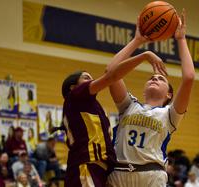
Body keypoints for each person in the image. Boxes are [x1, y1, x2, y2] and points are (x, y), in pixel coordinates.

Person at [53, 29, 167, 186]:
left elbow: (111, 73)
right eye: (86, 78)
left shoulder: (93, 107)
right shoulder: (75, 97)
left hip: (102, 170)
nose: (91, 80)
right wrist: (143, 53)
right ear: (73, 87)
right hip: (86, 167)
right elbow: (111, 74)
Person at [107, 10, 195, 187]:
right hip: (119, 173)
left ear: (169, 94)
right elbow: (111, 73)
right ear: (145, 89)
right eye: (151, 78)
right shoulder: (129, 105)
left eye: (161, 78)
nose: (155, 78)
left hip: (151, 175)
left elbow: (189, 77)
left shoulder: (170, 114)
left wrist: (181, 39)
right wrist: (138, 42)